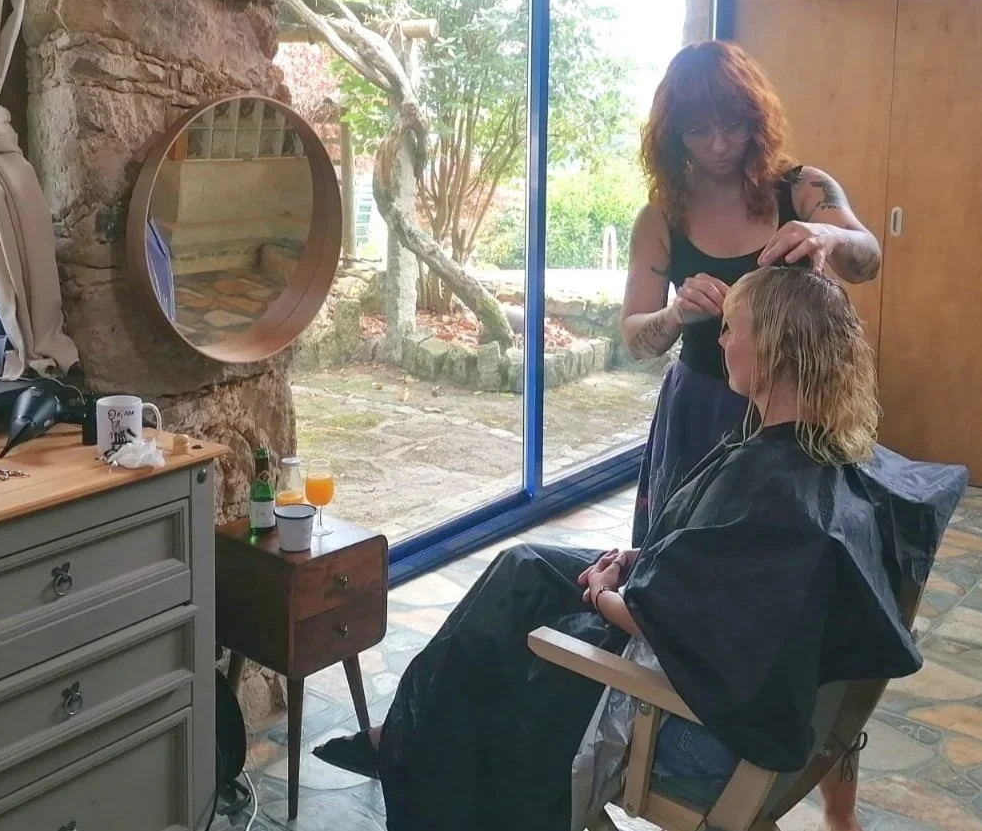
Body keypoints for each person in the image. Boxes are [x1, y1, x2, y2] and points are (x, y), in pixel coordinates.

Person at [313, 267, 965, 831]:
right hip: (707, 636)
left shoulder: (777, 491)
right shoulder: (828, 461)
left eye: (732, 326)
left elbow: (672, 619)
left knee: (510, 653)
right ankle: (405, 732)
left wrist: (607, 592)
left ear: (771, 347)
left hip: (688, 721)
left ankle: (412, 747)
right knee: (523, 565)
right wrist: (637, 561)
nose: (720, 339)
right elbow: (717, 569)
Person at [621, 41, 882, 830]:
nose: (719, 143)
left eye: (732, 125)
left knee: (811, 597)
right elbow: (633, 333)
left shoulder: (800, 186)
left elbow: (867, 254)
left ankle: (838, 802)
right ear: (674, 134)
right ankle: (692, 744)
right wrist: (674, 314)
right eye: (700, 130)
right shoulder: (661, 218)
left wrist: (829, 240)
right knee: (689, 583)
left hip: (799, 411)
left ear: (753, 117)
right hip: (703, 408)